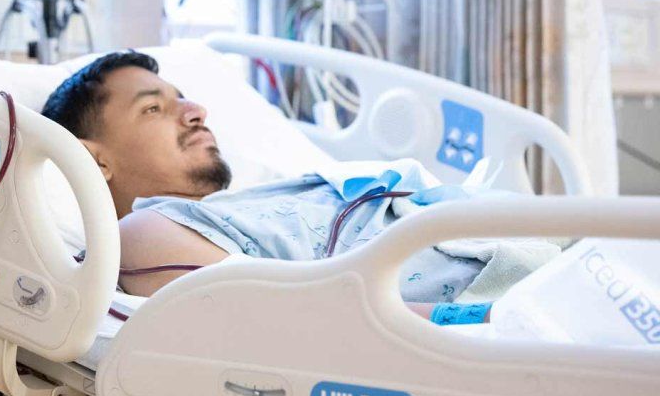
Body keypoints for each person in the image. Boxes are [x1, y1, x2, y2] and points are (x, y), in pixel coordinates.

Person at [40, 51, 541, 321]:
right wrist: (497, 320)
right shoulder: (142, 235)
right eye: (153, 108)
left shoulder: (265, 197)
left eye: (184, 98)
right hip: (508, 308)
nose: (196, 111)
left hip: (526, 257)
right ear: (95, 160)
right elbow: (318, 320)